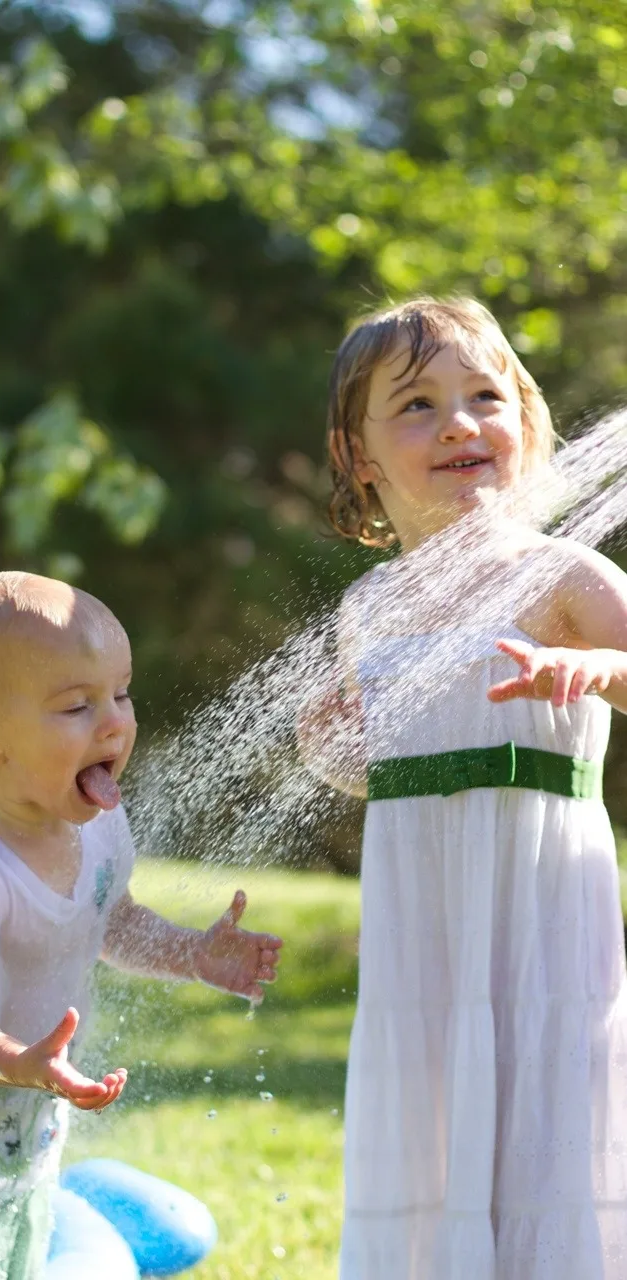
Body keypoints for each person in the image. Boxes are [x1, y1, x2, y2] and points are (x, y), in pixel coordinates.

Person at [300, 297, 627, 1279]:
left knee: (543, 1100)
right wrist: (330, 743)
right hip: (423, 928)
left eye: (484, 396)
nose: (457, 422)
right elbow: (380, 760)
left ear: (524, 425)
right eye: (416, 405)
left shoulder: (560, 575)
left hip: (542, 910)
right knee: (433, 1112)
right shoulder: (367, 608)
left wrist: (597, 672)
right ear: (356, 455)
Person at [0, 571, 283, 1280]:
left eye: (121, 693)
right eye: (77, 706)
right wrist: (23, 1063)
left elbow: (114, 920)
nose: (114, 722)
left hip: (21, 1126)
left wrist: (193, 955)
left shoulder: (99, 825)